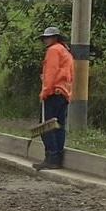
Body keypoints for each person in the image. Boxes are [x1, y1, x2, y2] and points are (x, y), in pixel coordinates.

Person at [33, 26, 73, 170]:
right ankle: (58, 157)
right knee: (59, 126)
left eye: (47, 38)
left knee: (46, 126)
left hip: (52, 94)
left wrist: (44, 92)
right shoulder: (66, 52)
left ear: (55, 38)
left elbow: (50, 74)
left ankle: (51, 157)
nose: (45, 40)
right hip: (63, 94)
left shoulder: (53, 51)